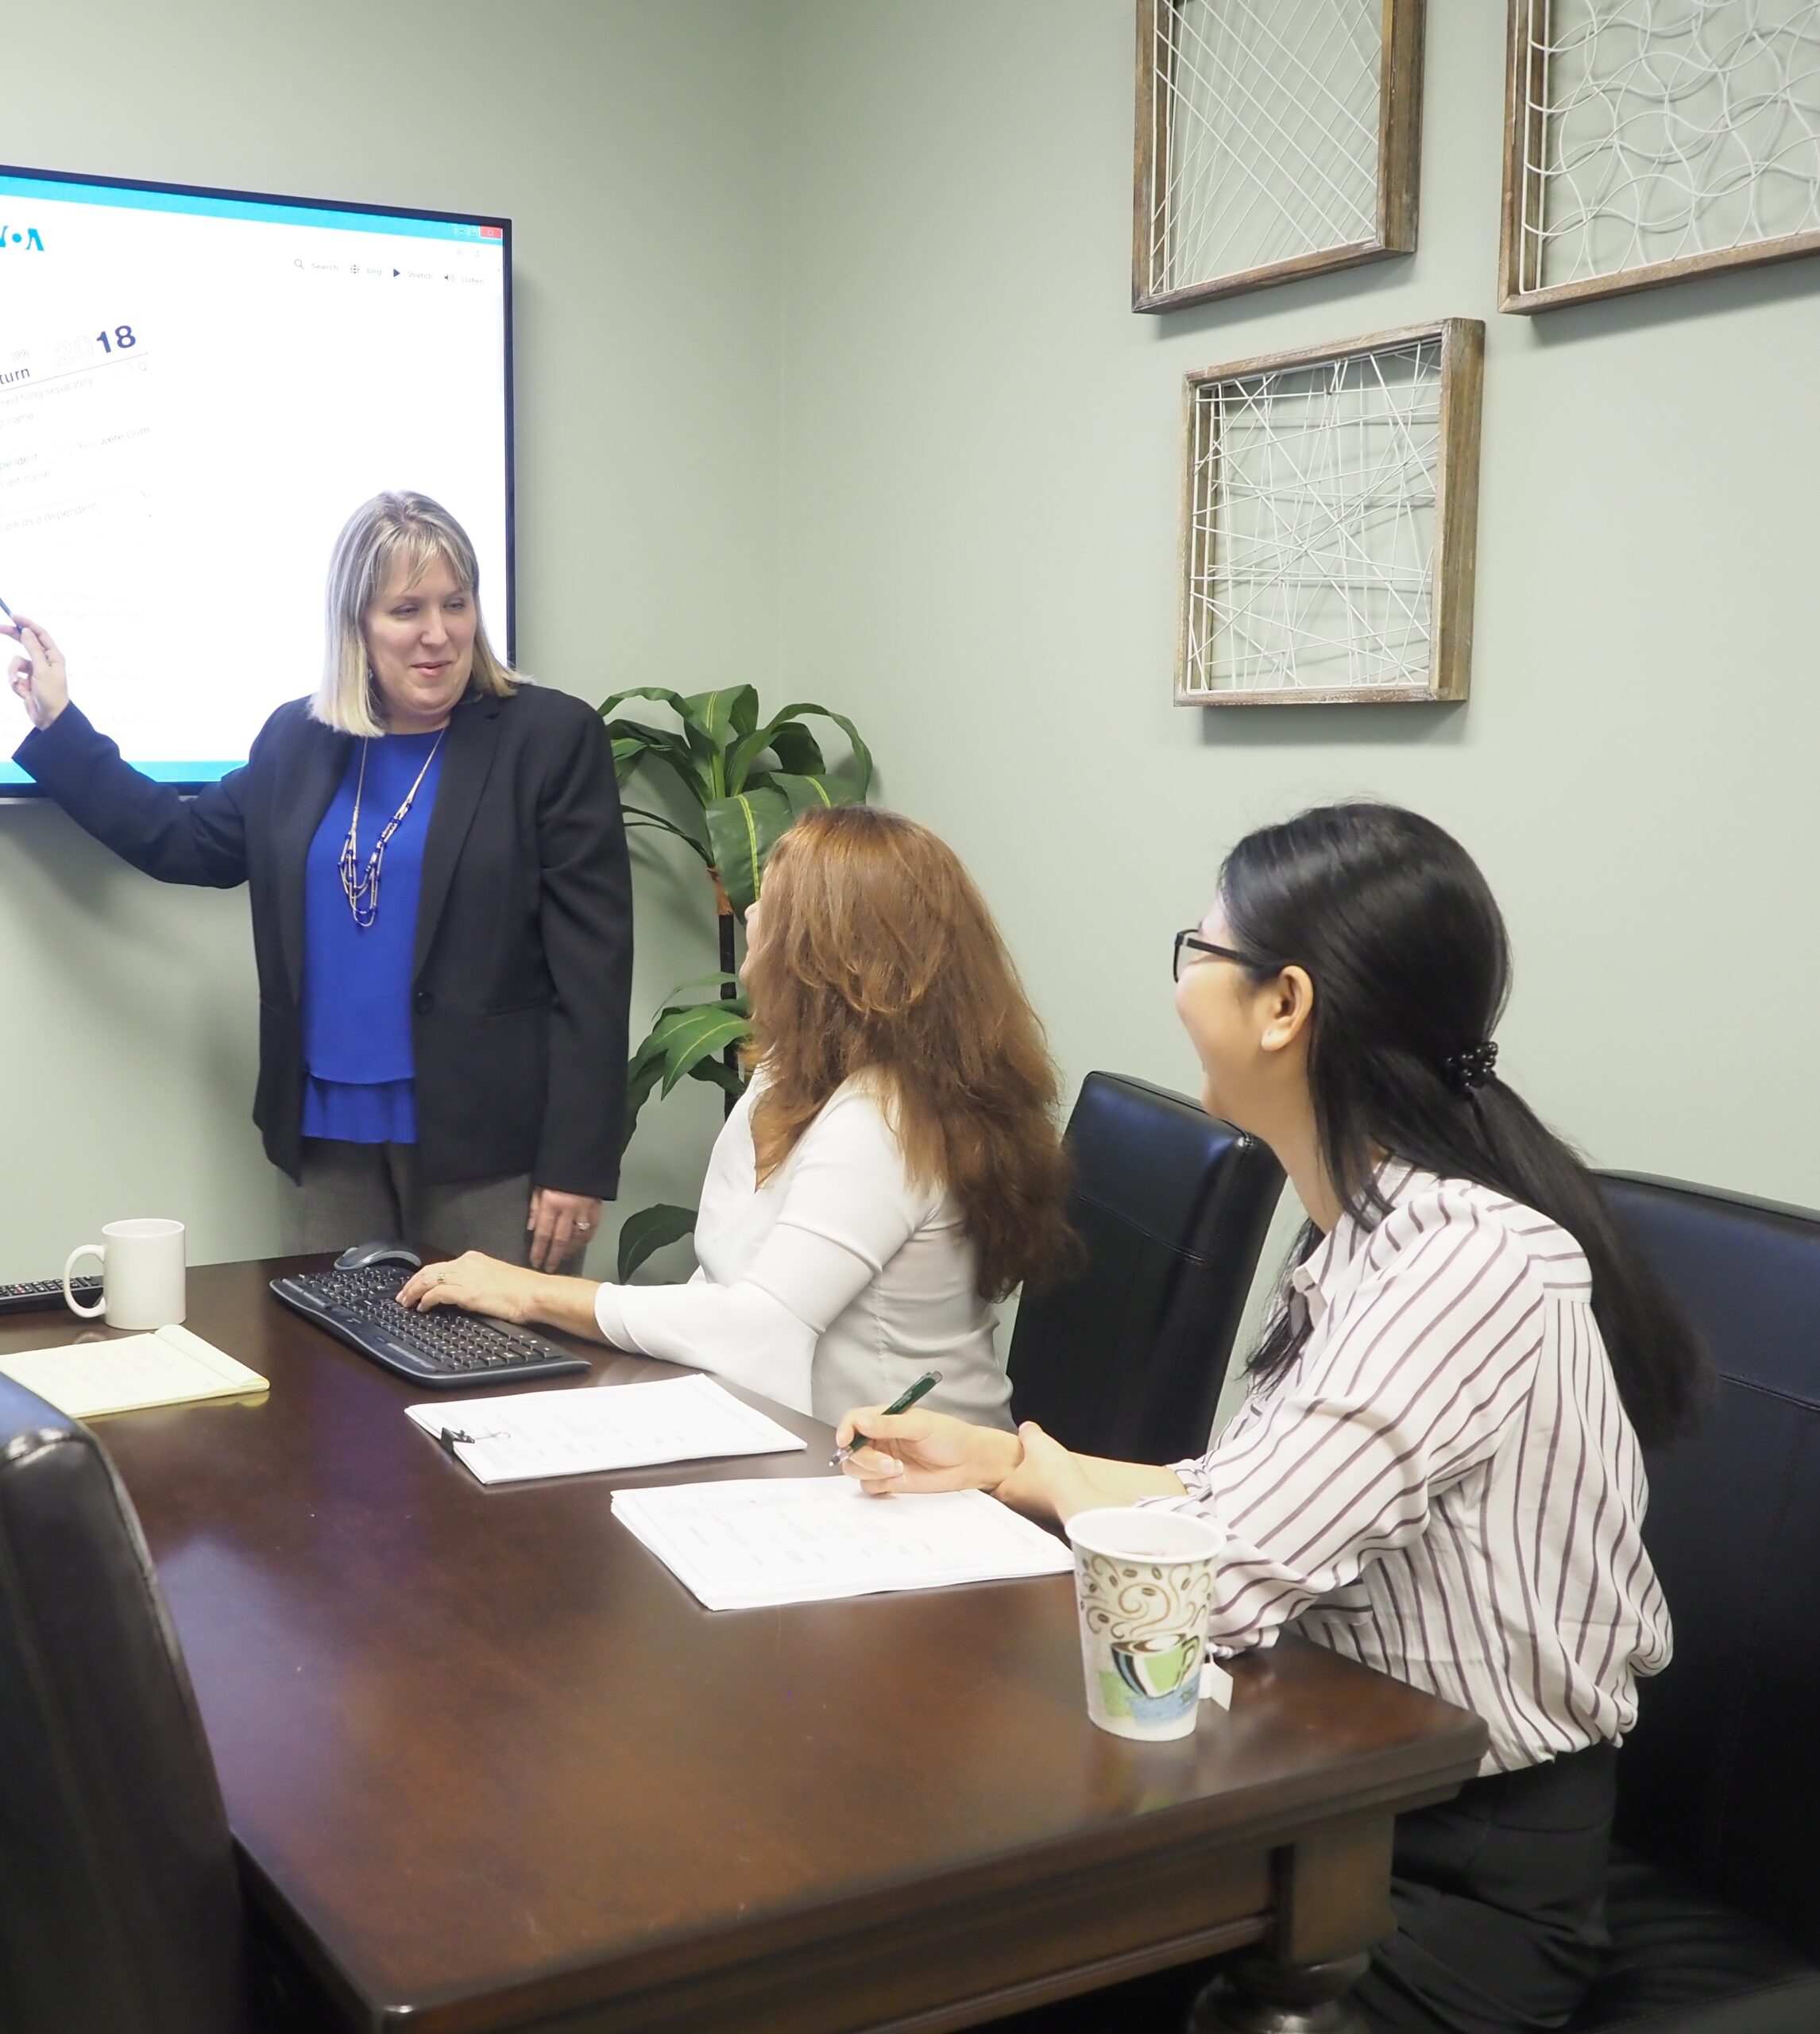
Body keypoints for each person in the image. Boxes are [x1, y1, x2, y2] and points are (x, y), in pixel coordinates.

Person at [833, 802, 1710, 2034]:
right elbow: (1242, 1497)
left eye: (1199, 952)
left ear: (1283, 1005)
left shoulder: (1465, 1265)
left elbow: (1218, 1577)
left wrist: (1042, 1473)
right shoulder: (1365, 1224)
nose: (1183, 985)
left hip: (1452, 1873)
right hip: (1328, 1787)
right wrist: (1009, 1463)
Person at [5, 492, 631, 1269]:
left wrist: (577, 1162)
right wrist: (62, 728)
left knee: (491, 1377)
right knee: (334, 1379)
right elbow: (185, 842)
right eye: (406, 609)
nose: (438, 634)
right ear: (356, 623)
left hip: (491, 1145)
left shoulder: (550, 738)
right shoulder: (297, 739)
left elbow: (594, 973)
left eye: (455, 604)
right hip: (326, 1137)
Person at [396, 804, 1072, 1425]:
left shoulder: (883, 1117)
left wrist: (526, 1292)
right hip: (789, 1435)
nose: (747, 915)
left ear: (821, 951)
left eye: (769, 903)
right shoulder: (789, 1071)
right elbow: (723, 1281)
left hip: (910, 1490)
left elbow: (758, 1326)